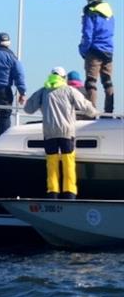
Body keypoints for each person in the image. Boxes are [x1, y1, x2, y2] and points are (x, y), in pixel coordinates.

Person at [24, 67, 98, 199]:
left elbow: (28, 109)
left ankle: (53, 193)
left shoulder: (43, 91)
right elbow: (85, 106)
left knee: (51, 164)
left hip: (49, 133)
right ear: (64, 78)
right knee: (68, 162)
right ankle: (69, 193)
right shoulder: (69, 90)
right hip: (66, 132)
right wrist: (95, 113)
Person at [79, 0, 115, 114]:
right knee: (107, 81)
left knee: (91, 82)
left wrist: (83, 50)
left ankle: (91, 112)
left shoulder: (90, 12)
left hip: (94, 50)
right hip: (108, 50)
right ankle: (109, 111)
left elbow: (87, 35)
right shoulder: (110, 14)